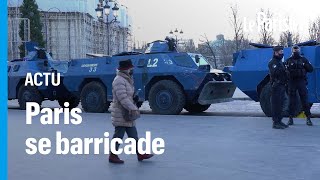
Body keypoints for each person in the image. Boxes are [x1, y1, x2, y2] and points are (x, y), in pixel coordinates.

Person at [108, 59, 153, 164]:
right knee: (118, 135)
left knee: (134, 135)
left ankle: (140, 154)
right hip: (121, 112)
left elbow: (127, 95)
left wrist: (134, 98)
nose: (132, 70)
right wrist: (133, 108)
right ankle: (112, 156)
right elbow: (122, 98)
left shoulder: (127, 79)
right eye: (131, 68)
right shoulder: (119, 80)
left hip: (127, 113)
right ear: (126, 69)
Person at [285, 46, 314, 126]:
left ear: (299, 51)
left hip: (301, 81)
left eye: (297, 50)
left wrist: (305, 65)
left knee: (304, 100)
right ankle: (290, 118)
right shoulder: (288, 60)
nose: (296, 51)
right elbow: (285, 72)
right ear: (292, 51)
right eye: (294, 50)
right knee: (291, 101)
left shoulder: (304, 59)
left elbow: (311, 69)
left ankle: (308, 118)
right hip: (292, 82)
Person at [268, 46, 289, 129]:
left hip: (282, 85)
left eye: (282, 51)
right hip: (276, 86)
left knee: (282, 103)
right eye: (281, 52)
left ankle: (279, 120)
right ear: (276, 52)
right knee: (276, 104)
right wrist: (284, 70)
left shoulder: (279, 62)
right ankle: (275, 122)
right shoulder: (273, 62)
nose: (282, 53)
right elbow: (275, 73)